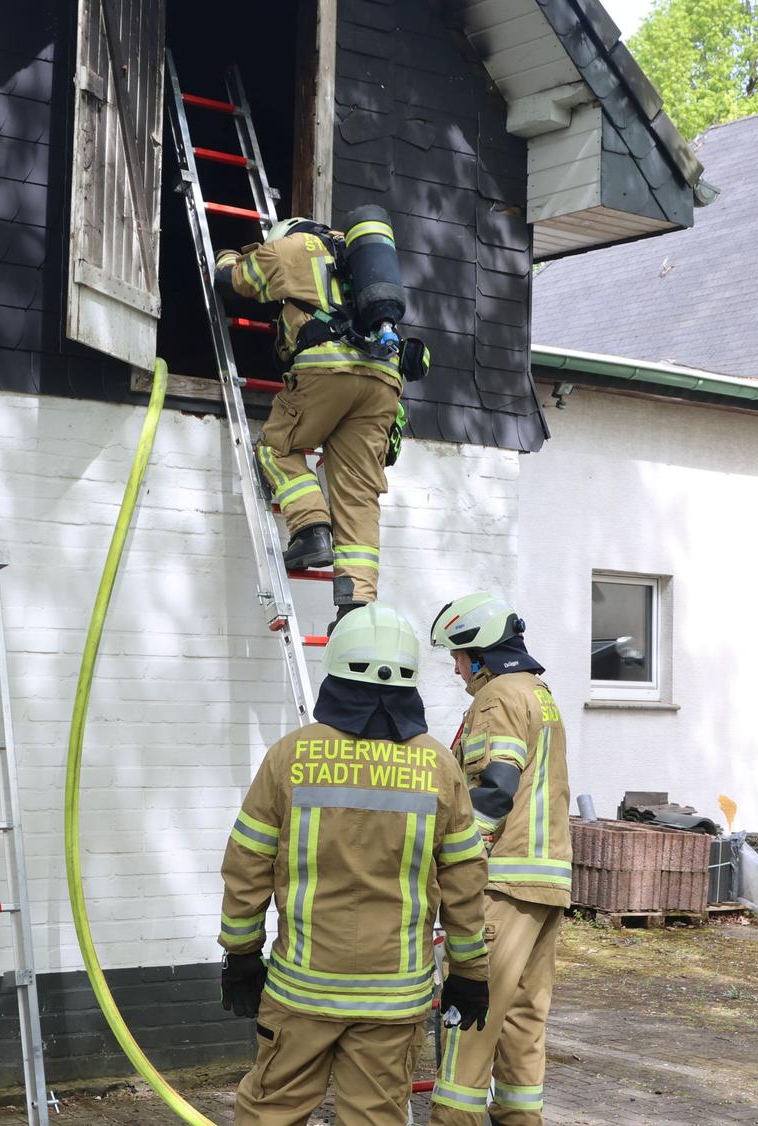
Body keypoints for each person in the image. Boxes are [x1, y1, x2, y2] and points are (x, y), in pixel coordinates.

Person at [217, 603, 490, 1126]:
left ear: (335, 672)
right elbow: (465, 880)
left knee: (270, 1114)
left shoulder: (290, 757)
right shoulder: (438, 766)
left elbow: (247, 864)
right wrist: (470, 973)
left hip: (302, 991)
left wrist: (242, 955)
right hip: (394, 999)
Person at [426, 592, 572, 1126]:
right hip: (547, 883)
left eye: (459, 657)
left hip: (503, 883)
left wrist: (455, 864)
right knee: (524, 1023)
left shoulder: (497, 697)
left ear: (481, 652)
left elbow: (495, 787)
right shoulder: (540, 691)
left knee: (473, 1019)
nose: (456, 669)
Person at [215, 217, 404, 622]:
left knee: (274, 449)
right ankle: (355, 611)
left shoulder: (291, 249)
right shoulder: (361, 267)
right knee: (357, 495)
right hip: (384, 381)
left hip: (327, 371)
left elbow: (233, 283)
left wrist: (227, 257)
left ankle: (310, 530)